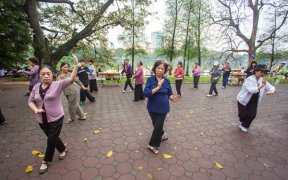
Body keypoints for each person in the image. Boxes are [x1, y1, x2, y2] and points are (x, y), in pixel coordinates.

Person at [28, 54, 79, 174]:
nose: (46, 76)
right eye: (43, 74)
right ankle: (62, 149)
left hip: (56, 118)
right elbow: (30, 101)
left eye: (48, 73)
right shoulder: (36, 87)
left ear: (52, 74)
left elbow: (71, 79)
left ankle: (46, 161)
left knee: (50, 140)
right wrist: (36, 110)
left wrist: (76, 65)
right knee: (53, 137)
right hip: (41, 119)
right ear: (39, 75)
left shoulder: (58, 84)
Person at [144, 60, 180, 154]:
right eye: (158, 68)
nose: (160, 70)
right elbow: (146, 93)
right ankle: (163, 134)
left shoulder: (167, 81)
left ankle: (152, 144)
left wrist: (173, 98)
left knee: (157, 126)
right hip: (152, 108)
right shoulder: (150, 80)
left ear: (164, 70)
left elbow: (169, 93)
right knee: (156, 125)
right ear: (155, 69)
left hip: (163, 109)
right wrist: (157, 87)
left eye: (162, 69)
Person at [237, 64, 275, 132]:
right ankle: (242, 120)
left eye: (264, 72)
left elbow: (270, 87)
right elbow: (250, 90)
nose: (262, 74)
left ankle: (244, 126)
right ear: (256, 71)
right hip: (243, 99)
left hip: (254, 100)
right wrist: (262, 85)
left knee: (252, 115)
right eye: (261, 72)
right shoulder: (249, 79)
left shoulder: (262, 80)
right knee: (242, 116)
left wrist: (271, 90)